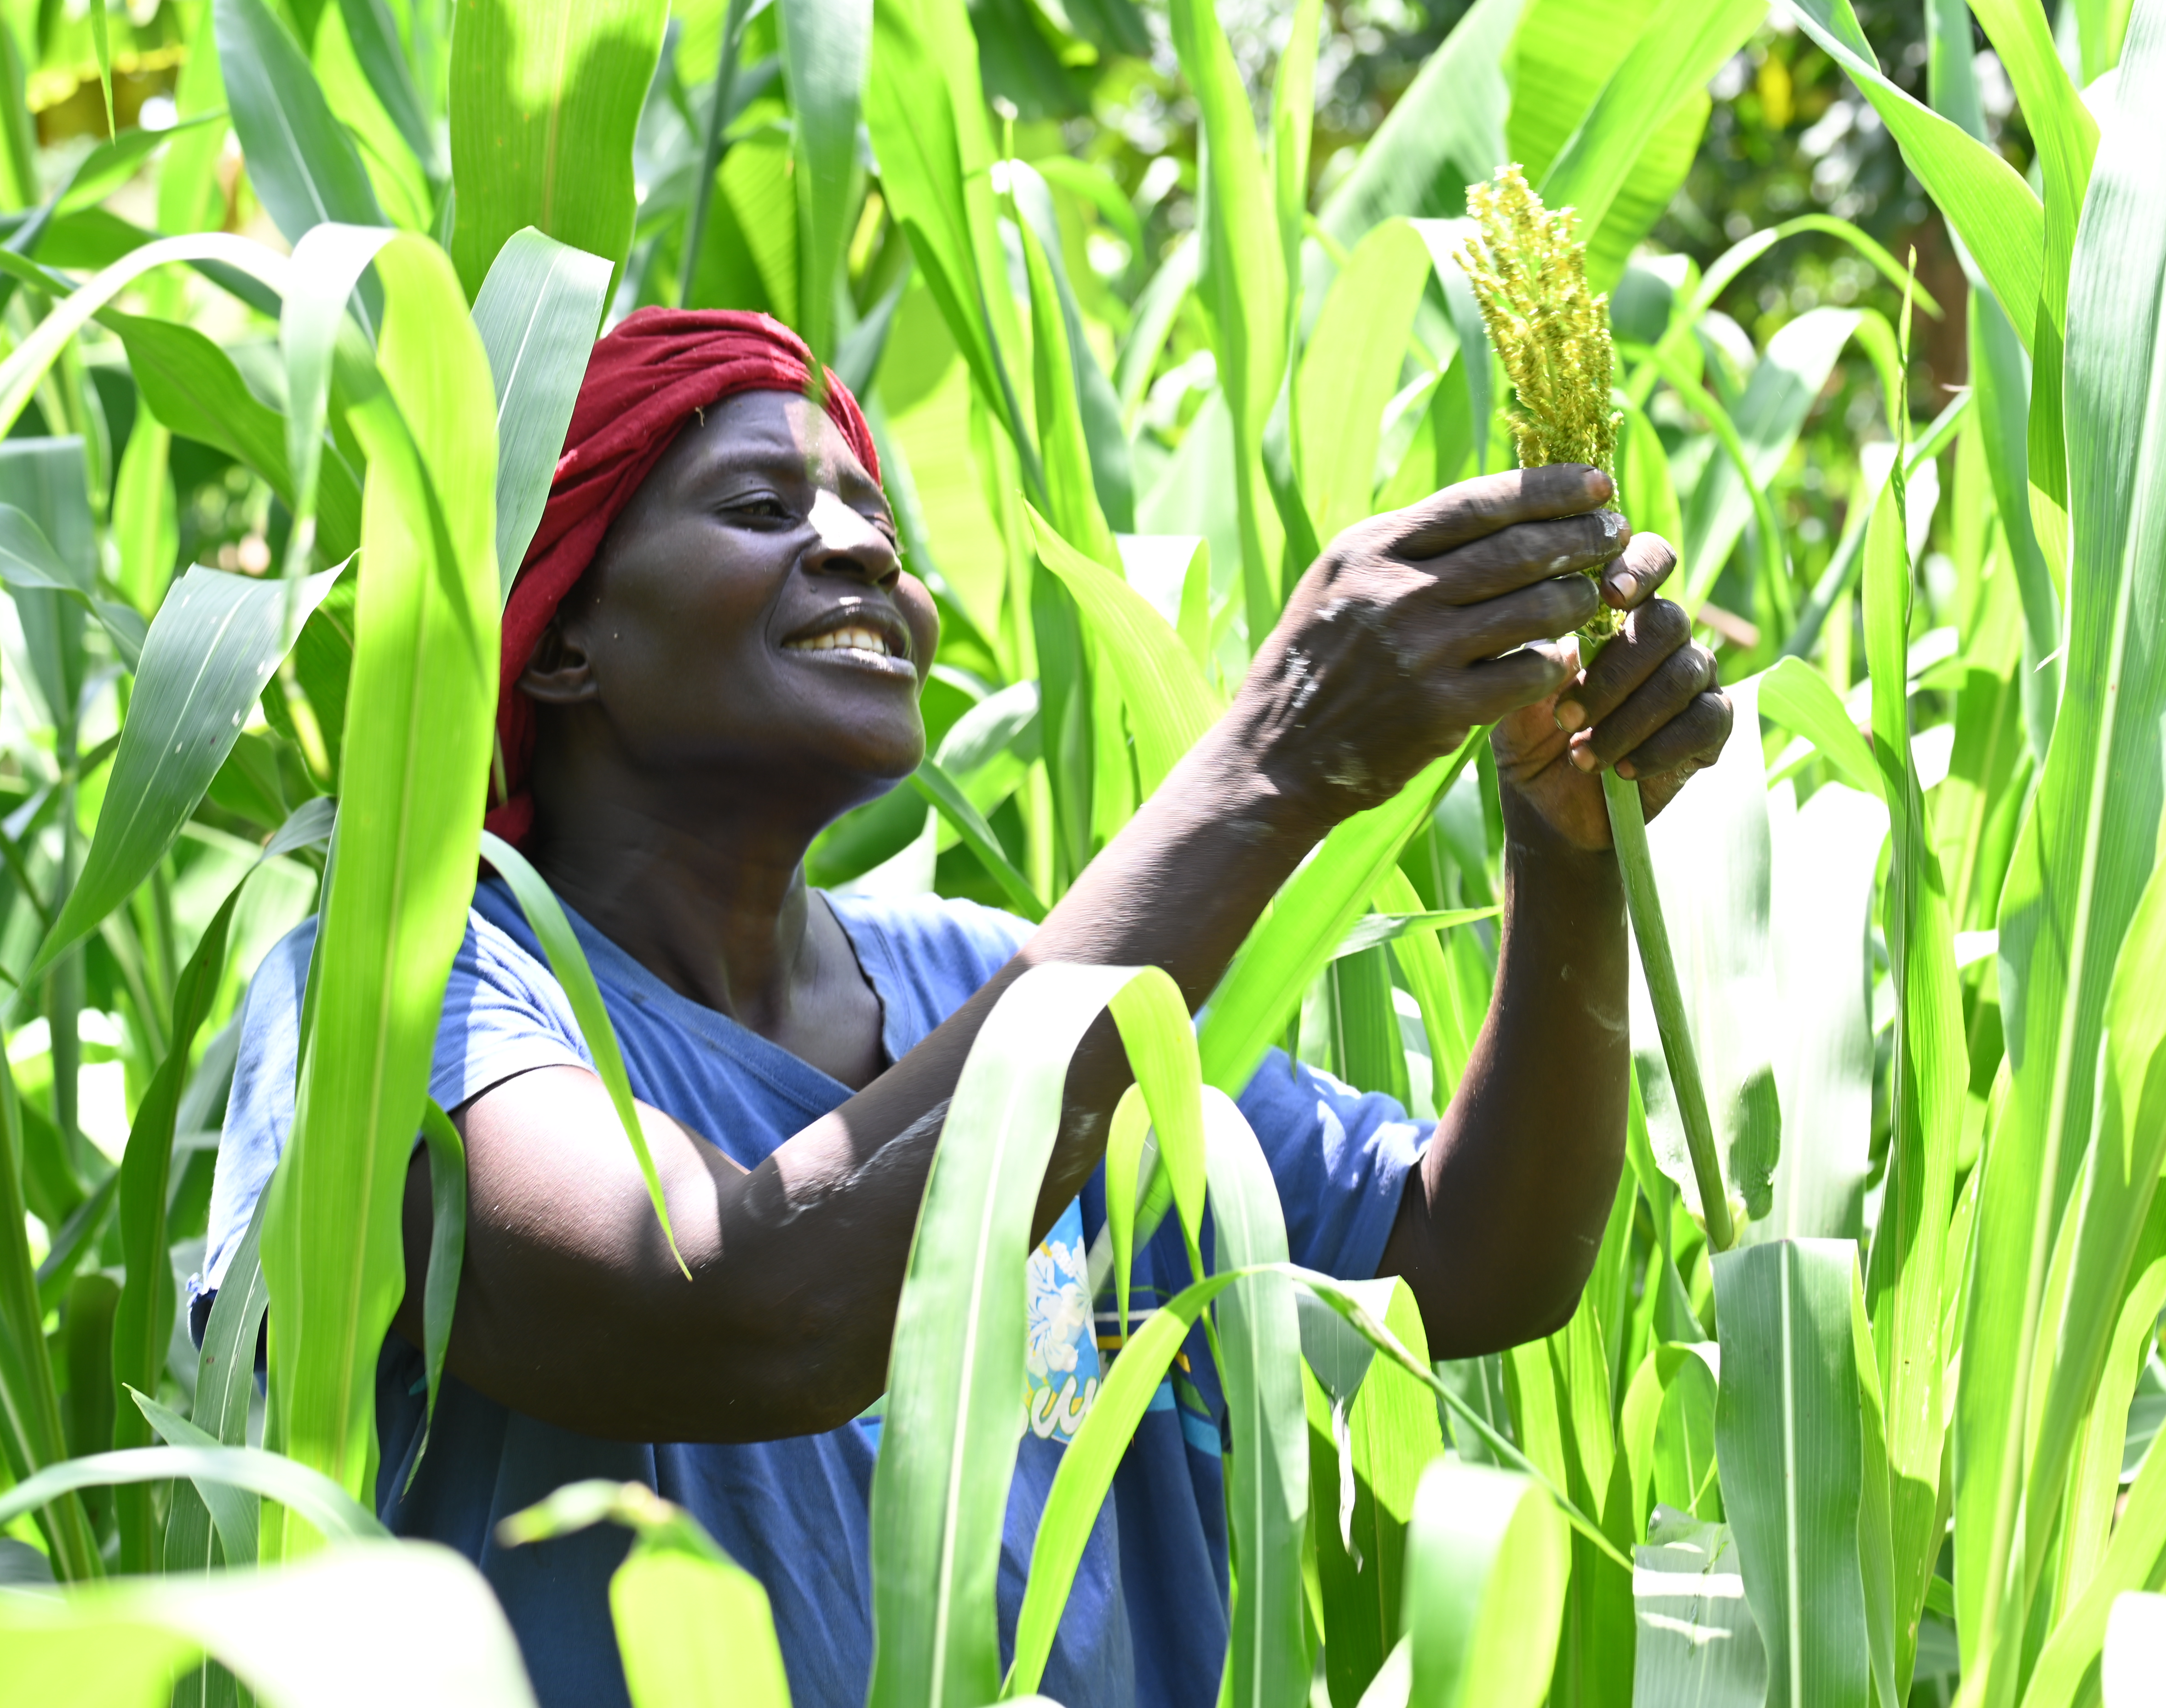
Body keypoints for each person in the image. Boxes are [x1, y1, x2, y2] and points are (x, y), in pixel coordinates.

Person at [197, 308, 1729, 1708]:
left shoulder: (986, 974)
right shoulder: (414, 993)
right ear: (566, 634)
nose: (862, 550)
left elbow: (1467, 1259)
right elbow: (742, 1312)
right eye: (761, 507)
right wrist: (1268, 765)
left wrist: (1569, 846)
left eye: (873, 513)